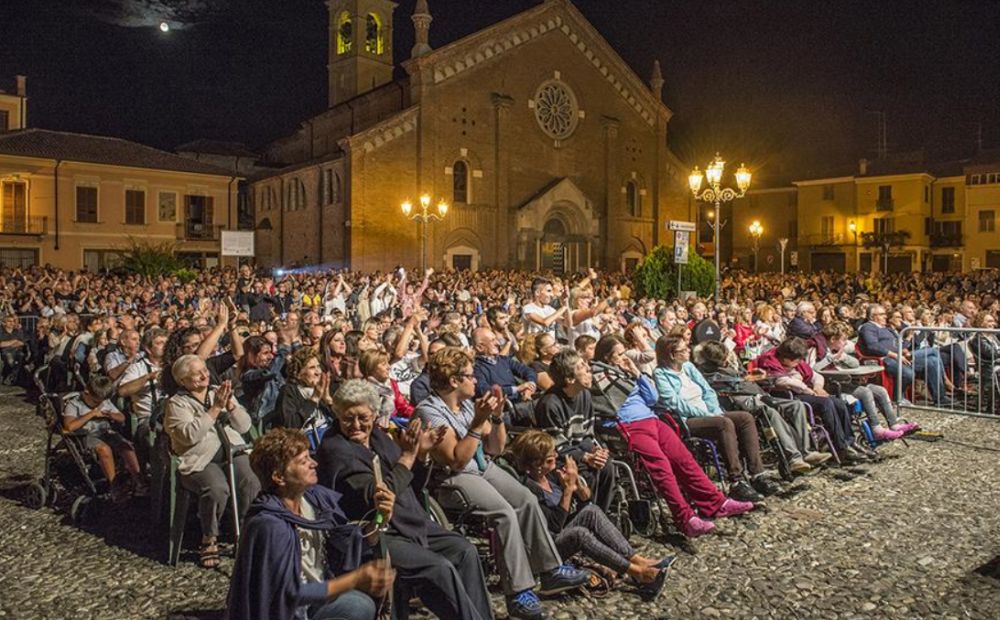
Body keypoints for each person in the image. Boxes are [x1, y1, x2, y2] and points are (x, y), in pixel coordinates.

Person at [416, 347, 589, 620]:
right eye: (470, 376)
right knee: (504, 514)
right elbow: (456, 460)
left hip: (483, 466)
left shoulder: (468, 406)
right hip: (454, 478)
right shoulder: (430, 411)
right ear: (453, 380)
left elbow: (495, 448)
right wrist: (478, 422)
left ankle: (549, 569)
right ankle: (518, 592)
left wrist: (495, 418)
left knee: (526, 501)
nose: (475, 381)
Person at [317, 380, 494, 620]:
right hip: (373, 533)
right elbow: (377, 496)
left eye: (363, 417)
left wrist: (420, 455)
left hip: (407, 520)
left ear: (373, 414)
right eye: (348, 418)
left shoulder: (378, 437)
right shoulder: (335, 449)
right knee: (438, 569)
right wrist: (409, 457)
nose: (356, 425)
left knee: (464, 550)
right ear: (338, 415)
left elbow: (409, 484)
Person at [590, 335, 754, 538]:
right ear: (608, 357)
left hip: (651, 418)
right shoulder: (599, 375)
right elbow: (608, 404)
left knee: (684, 459)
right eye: (620, 354)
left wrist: (636, 374)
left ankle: (715, 503)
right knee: (662, 468)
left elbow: (652, 398)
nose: (625, 357)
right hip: (628, 425)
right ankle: (685, 518)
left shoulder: (625, 374)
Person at [225, 427, 394, 620]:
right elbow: (288, 593)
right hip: (288, 611)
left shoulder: (314, 500)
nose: (313, 463)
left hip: (315, 598)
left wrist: (379, 520)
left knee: (359, 605)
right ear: (279, 477)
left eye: (309, 457)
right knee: (357, 604)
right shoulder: (269, 525)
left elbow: (345, 540)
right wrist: (354, 580)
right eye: (303, 461)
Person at [507, 430, 672, 600]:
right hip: (546, 547)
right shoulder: (529, 489)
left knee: (592, 511)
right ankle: (638, 573)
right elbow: (554, 525)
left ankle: (638, 560)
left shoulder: (551, 476)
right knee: (579, 534)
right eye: (550, 457)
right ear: (536, 464)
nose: (557, 456)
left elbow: (587, 501)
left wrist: (576, 483)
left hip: (560, 532)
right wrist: (568, 490)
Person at [653, 335, 781, 502]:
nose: (688, 351)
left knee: (745, 418)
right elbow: (674, 402)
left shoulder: (689, 367)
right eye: (683, 350)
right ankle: (736, 480)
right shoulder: (661, 374)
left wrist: (713, 410)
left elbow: (707, 390)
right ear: (671, 354)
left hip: (709, 411)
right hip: (688, 419)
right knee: (724, 423)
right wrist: (705, 413)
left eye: (687, 348)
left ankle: (758, 474)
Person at [164, 354, 261, 568]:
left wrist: (231, 406)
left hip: (231, 451)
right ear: (183, 380)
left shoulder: (218, 391)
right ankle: (209, 537)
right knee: (217, 488)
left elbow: (244, 427)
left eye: (204, 370)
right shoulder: (176, 404)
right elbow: (189, 435)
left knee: (251, 480)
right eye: (196, 373)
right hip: (200, 459)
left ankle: (245, 531)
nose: (203, 375)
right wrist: (215, 409)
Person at [694, 340, 831, 474]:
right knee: (770, 412)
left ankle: (806, 452)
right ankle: (794, 457)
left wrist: (751, 376)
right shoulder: (707, 372)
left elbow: (743, 378)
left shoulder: (727, 367)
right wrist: (745, 379)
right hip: (738, 399)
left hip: (758, 394)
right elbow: (729, 386)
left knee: (796, 406)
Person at [754, 338, 870, 463]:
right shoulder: (769, 360)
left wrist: (818, 387)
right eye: (796, 360)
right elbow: (783, 381)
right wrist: (810, 391)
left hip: (808, 391)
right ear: (787, 357)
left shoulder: (798, 362)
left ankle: (849, 441)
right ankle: (841, 447)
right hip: (788, 395)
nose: (799, 362)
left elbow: (816, 376)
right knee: (826, 403)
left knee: (839, 403)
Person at [534, 349, 617, 512]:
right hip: (559, 458)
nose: (589, 369)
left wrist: (596, 452)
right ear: (570, 379)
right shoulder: (550, 404)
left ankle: (601, 515)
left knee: (607, 467)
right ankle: (586, 515)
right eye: (582, 367)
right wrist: (586, 457)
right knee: (586, 475)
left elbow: (588, 434)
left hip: (580, 451)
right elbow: (556, 445)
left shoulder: (584, 395)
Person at [62, 375, 147, 501]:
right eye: (96, 402)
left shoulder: (104, 402)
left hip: (105, 431)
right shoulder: (74, 404)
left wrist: (111, 415)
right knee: (104, 449)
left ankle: (139, 481)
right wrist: (91, 414)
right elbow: (69, 426)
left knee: (126, 446)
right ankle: (113, 485)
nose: (99, 404)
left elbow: (122, 417)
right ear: (87, 392)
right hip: (86, 435)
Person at [471, 327, 538, 425]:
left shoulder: (503, 360)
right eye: (492, 341)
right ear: (480, 347)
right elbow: (484, 390)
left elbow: (528, 371)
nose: (498, 343)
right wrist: (517, 389)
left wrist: (530, 386)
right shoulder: (476, 368)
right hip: (502, 411)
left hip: (520, 404)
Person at [274, 347, 334, 434]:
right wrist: (314, 399)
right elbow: (290, 425)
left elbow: (340, 420)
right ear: (299, 373)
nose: (318, 372)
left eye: (318, 366)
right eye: (312, 368)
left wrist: (328, 399)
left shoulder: (322, 387)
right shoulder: (289, 391)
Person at [359, 349, 414, 427]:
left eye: (388, 363)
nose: (388, 367)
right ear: (371, 367)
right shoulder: (361, 388)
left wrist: (419, 414)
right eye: (383, 364)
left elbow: (402, 406)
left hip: (392, 424)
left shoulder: (391, 383)